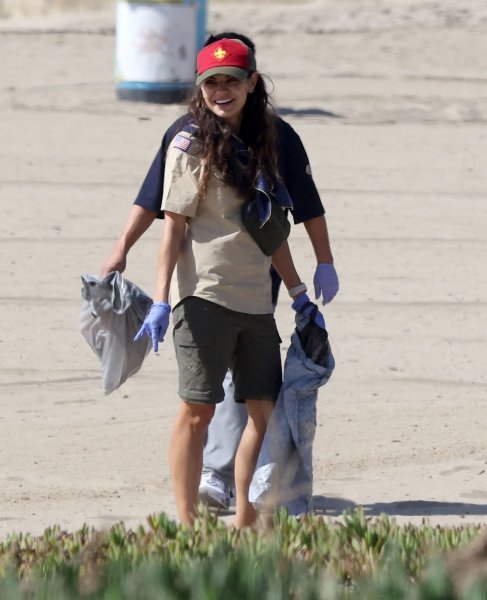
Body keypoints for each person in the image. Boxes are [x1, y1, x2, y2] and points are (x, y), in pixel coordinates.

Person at [100, 32, 339, 511]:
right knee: (207, 396)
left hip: (260, 280)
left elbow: (303, 209)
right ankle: (214, 475)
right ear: (200, 84)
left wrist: (317, 269)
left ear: (252, 82)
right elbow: (157, 205)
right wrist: (123, 250)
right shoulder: (185, 138)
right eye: (212, 81)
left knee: (251, 395)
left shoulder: (279, 136)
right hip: (202, 288)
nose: (221, 89)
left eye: (232, 78)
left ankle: (248, 496)